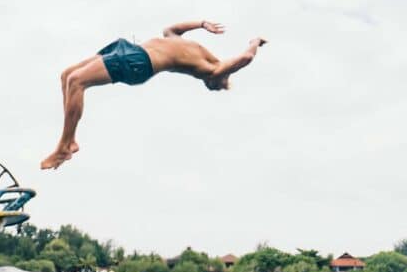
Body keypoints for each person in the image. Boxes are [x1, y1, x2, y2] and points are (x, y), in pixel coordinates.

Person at [41, 20, 267, 170]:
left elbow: (246, 58)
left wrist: (254, 42)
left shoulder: (212, 70)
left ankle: (64, 146)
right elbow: (171, 29)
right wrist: (201, 24)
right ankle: (69, 141)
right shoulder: (189, 46)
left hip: (139, 63)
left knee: (77, 81)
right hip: (130, 49)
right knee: (67, 75)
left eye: (213, 84)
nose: (214, 82)